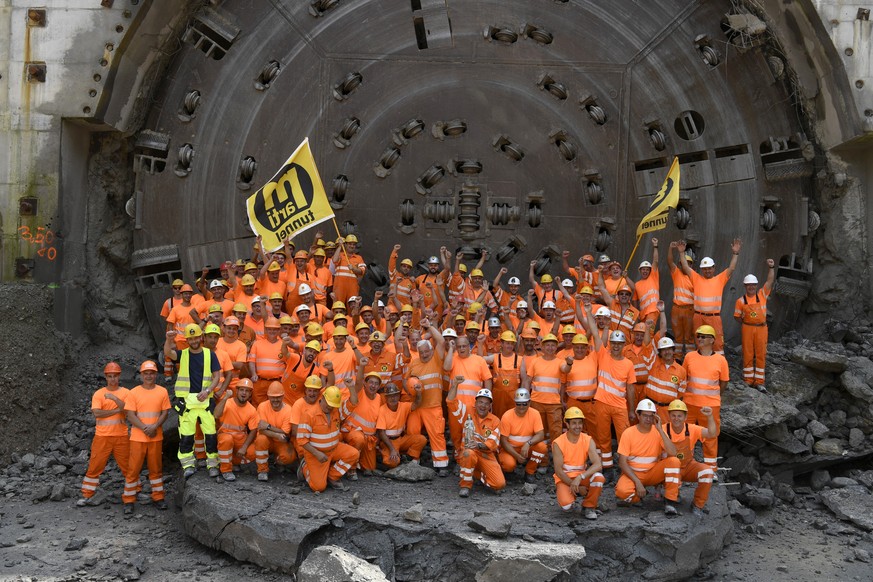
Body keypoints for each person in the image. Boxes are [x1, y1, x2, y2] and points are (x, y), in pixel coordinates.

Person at [164, 323, 221, 478]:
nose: (194, 341)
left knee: (210, 435)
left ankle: (213, 465)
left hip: (205, 400)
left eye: (196, 337)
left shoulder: (210, 354)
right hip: (187, 402)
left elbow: (217, 376)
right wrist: (169, 340)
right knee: (186, 436)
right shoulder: (183, 354)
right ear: (187, 340)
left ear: (200, 337)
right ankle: (188, 465)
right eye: (191, 338)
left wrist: (208, 390)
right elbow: (168, 352)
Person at [614, 399, 682, 516]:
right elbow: (622, 462)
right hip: (634, 474)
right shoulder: (628, 433)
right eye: (645, 416)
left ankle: (670, 501)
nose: (648, 419)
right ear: (638, 415)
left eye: (651, 416)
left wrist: (660, 430)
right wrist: (637, 483)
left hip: (653, 473)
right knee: (622, 492)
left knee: (674, 462)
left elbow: (673, 452)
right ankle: (637, 498)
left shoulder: (658, 432)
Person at [122, 360, 171, 516]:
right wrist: (145, 428)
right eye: (146, 373)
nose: (149, 376)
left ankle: (158, 497)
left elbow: (165, 413)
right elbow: (130, 415)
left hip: (155, 437)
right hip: (138, 437)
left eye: (151, 373)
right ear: (141, 375)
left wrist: (154, 427)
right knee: (133, 470)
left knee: (156, 469)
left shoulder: (162, 391)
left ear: (155, 374)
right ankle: (128, 500)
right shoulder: (133, 393)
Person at [677, 238, 741, 354]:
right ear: (701, 270)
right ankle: (701, 367)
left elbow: (731, 268)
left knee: (717, 344)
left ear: (714, 268)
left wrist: (735, 253)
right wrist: (681, 252)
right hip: (698, 317)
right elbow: (686, 267)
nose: (707, 271)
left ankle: (718, 368)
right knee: (699, 343)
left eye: (709, 268)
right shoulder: (696, 278)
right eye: (705, 269)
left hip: (714, 317)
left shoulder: (720, 279)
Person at [78, 362, 130, 506]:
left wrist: (114, 399)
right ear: (106, 377)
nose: (112, 379)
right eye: (110, 376)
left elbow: (127, 411)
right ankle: (87, 494)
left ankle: (135, 491)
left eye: (115, 376)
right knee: (95, 466)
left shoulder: (126, 393)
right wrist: (115, 411)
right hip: (102, 437)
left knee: (128, 467)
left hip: (121, 436)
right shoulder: (99, 394)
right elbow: (97, 413)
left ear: (119, 376)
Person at [446, 377, 505, 497]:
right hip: (469, 451)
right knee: (468, 453)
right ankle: (465, 486)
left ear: (490, 406)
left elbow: (492, 444)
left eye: (486, 403)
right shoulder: (467, 411)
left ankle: (475, 473)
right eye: (480, 402)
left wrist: (478, 445)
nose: (483, 406)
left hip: (485, 454)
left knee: (499, 484)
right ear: (475, 402)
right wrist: (455, 384)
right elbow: (450, 402)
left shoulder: (495, 421)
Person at [683, 325, 729, 472]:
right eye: (698, 336)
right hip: (689, 404)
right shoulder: (689, 357)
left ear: (712, 340)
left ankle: (711, 470)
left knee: (710, 438)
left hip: (710, 406)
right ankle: (684, 466)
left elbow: (724, 382)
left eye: (703, 336)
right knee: (685, 436)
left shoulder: (720, 360)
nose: (700, 339)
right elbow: (683, 378)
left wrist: (712, 397)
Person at [297, 385, 361, 493]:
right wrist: (317, 454)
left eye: (332, 405)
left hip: (335, 449)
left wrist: (351, 387)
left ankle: (332, 476)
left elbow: (353, 403)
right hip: (316, 454)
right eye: (328, 404)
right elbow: (301, 440)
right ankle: (305, 467)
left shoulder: (336, 411)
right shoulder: (309, 415)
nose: (330, 408)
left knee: (354, 454)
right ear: (322, 397)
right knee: (318, 487)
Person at [406, 320, 450, 475]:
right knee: (413, 431)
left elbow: (442, 341)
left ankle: (441, 464)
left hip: (433, 406)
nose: (424, 354)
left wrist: (429, 325)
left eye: (426, 351)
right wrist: (412, 388)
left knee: (437, 434)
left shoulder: (436, 359)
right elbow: (407, 381)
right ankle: (414, 459)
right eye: (421, 352)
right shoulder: (414, 363)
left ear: (431, 351)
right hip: (417, 405)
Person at [591, 331, 637, 475]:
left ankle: (627, 469)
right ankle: (607, 468)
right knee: (603, 438)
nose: (616, 346)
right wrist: (588, 312)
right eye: (614, 343)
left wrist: (631, 410)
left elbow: (630, 388)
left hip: (619, 406)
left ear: (624, 345)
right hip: (601, 403)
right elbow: (595, 333)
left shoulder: (628, 364)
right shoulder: (603, 354)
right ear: (610, 343)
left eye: (619, 343)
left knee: (624, 438)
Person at [665, 400, 718, 516]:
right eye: (673, 415)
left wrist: (709, 417)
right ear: (669, 416)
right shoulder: (663, 429)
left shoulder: (692, 429)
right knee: (672, 464)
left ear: (685, 417)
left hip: (688, 466)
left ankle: (697, 505)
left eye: (679, 415)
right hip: (670, 470)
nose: (676, 418)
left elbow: (712, 434)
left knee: (708, 473)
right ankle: (670, 502)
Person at [552, 407, 605, 519]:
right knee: (566, 506)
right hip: (565, 479)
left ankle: (589, 506)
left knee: (599, 478)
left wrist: (580, 477)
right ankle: (573, 494)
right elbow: (559, 471)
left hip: (581, 477)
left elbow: (598, 464)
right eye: (574, 423)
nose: (578, 426)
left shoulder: (587, 440)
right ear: (567, 424)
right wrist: (573, 484)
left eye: (580, 423)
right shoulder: (558, 443)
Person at [733, 259, 776, 390]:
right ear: (745, 286)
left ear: (756, 285)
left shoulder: (762, 294)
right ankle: (748, 379)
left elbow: (769, 281)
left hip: (762, 328)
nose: (751, 287)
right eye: (748, 285)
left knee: (761, 353)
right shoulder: (740, 301)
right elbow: (737, 317)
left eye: (753, 285)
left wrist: (771, 267)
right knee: (747, 352)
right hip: (747, 328)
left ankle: (759, 381)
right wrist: (747, 324)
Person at [523, 333, 564, 447]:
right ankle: (542, 459)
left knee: (556, 432)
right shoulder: (535, 361)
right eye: (547, 345)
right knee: (538, 432)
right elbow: (527, 381)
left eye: (552, 345)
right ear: (542, 346)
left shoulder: (560, 362)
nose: (550, 348)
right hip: (537, 402)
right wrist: (526, 399)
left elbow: (565, 369)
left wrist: (569, 363)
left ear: (556, 347)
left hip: (554, 404)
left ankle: (556, 460)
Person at [214, 378, 259, 481]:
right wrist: (225, 398)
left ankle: (234, 462)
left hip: (239, 439)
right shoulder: (228, 402)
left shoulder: (251, 410)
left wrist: (244, 447)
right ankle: (226, 470)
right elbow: (216, 414)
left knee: (254, 451)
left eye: (247, 391)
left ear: (250, 393)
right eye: (242, 390)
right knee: (227, 440)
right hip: (224, 436)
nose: (244, 393)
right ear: (237, 391)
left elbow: (253, 430)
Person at [498, 388, 547, 483]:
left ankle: (530, 472)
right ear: (514, 403)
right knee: (508, 464)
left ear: (529, 402)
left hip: (527, 448)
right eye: (518, 404)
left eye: (524, 403)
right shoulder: (507, 416)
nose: (521, 407)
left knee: (542, 447)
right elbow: (503, 441)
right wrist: (516, 456)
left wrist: (528, 443)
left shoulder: (535, 414)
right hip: (510, 449)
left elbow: (541, 435)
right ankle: (509, 472)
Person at [376, 383, 427, 468]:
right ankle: (382, 454)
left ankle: (408, 458)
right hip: (388, 442)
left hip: (400, 439)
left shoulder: (403, 406)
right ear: (386, 398)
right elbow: (381, 433)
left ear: (399, 396)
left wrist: (418, 393)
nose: (393, 398)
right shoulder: (382, 410)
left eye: (395, 395)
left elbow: (416, 404)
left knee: (421, 439)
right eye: (390, 396)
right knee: (392, 462)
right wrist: (392, 449)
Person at [253, 381, 295, 480]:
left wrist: (268, 426)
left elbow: (285, 433)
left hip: (281, 442)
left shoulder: (288, 410)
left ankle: (276, 461)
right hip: (269, 439)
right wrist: (277, 434)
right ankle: (262, 470)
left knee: (289, 457)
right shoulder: (262, 407)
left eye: (278, 397)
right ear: (268, 396)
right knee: (261, 439)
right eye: (273, 397)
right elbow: (261, 430)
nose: (275, 400)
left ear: (283, 396)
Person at [645, 337, 688, 425]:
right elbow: (646, 347)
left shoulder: (681, 371)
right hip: (650, 407)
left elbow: (680, 394)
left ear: (673, 350)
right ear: (660, 352)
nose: (667, 352)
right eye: (664, 350)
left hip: (667, 410)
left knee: (664, 434)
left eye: (669, 349)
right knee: (647, 434)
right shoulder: (653, 363)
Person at [667, 242, 695, 358]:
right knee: (678, 335)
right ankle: (678, 357)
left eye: (688, 263)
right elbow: (669, 261)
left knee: (689, 337)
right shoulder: (676, 273)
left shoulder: (694, 276)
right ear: (680, 264)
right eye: (684, 263)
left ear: (691, 265)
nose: (685, 265)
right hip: (677, 309)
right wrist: (670, 248)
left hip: (689, 309)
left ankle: (690, 358)